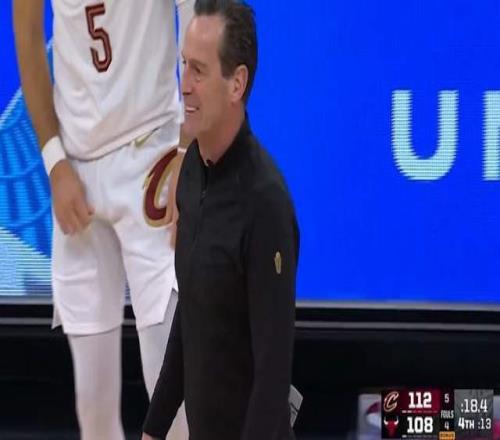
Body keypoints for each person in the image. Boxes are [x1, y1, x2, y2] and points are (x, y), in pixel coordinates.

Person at [13, 1, 194, 439]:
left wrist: (189, 151)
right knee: (93, 411)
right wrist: (55, 162)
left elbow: (198, 19)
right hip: (77, 171)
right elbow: (28, 34)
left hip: (153, 155)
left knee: (174, 395)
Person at [142, 1, 300, 439]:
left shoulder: (265, 203)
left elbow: (272, 379)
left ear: (237, 84)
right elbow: (192, 314)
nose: (184, 86)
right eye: (183, 65)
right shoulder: (192, 170)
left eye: (199, 71)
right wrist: (153, 429)